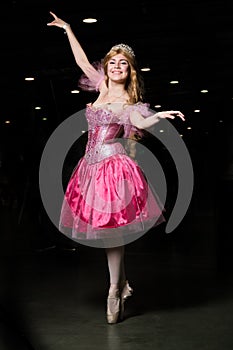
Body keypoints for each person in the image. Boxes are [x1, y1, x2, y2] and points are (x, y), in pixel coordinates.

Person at [47, 11, 185, 324]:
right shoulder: (100, 88)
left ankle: (113, 289)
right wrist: (68, 29)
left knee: (112, 234)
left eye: (123, 63)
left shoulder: (127, 101)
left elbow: (140, 121)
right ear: (107, 67)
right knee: (109, 234)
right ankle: (121, 284)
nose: (117, 67)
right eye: (113, 62)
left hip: (113, 168)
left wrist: (160, 116)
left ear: (130, 70)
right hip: (89, 169)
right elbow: (83, 63)